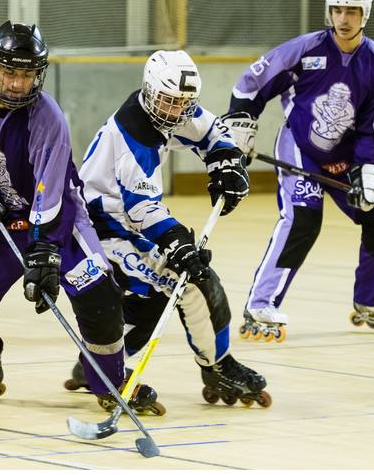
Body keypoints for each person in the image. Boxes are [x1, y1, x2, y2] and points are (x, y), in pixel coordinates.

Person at [0, 21, 163, 415]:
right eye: (10, 72)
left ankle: (110, 380)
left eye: (27, 74)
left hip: (59, 223)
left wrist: (46, 253)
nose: (18, 84)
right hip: (0, 222)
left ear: (39, 74)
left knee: (98, 298)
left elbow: (50, 196)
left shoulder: (47, 118)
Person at [65, 49, 271, 408]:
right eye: (168, 102)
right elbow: (142, 207)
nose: (176, 112)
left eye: (183, 103)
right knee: (192, 281)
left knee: (156, 301)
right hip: (103, 228)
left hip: (125, 220)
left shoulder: (169, 109)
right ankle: (218, 367)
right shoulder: (135, 135)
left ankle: (96, 364)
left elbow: (211, 130)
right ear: (148, 91)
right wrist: (176, 242)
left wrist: (225, 161)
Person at [222, 0, 374, 342]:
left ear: (365, 14)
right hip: (300, 150)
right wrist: (241, 123)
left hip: (345, 161)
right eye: (337, 9)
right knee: (303, 218)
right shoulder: (305, 50)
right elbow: (252, 84)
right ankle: (261, 303)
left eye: (352, 10)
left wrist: (367, 170)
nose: (343, 18)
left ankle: (371, 299)